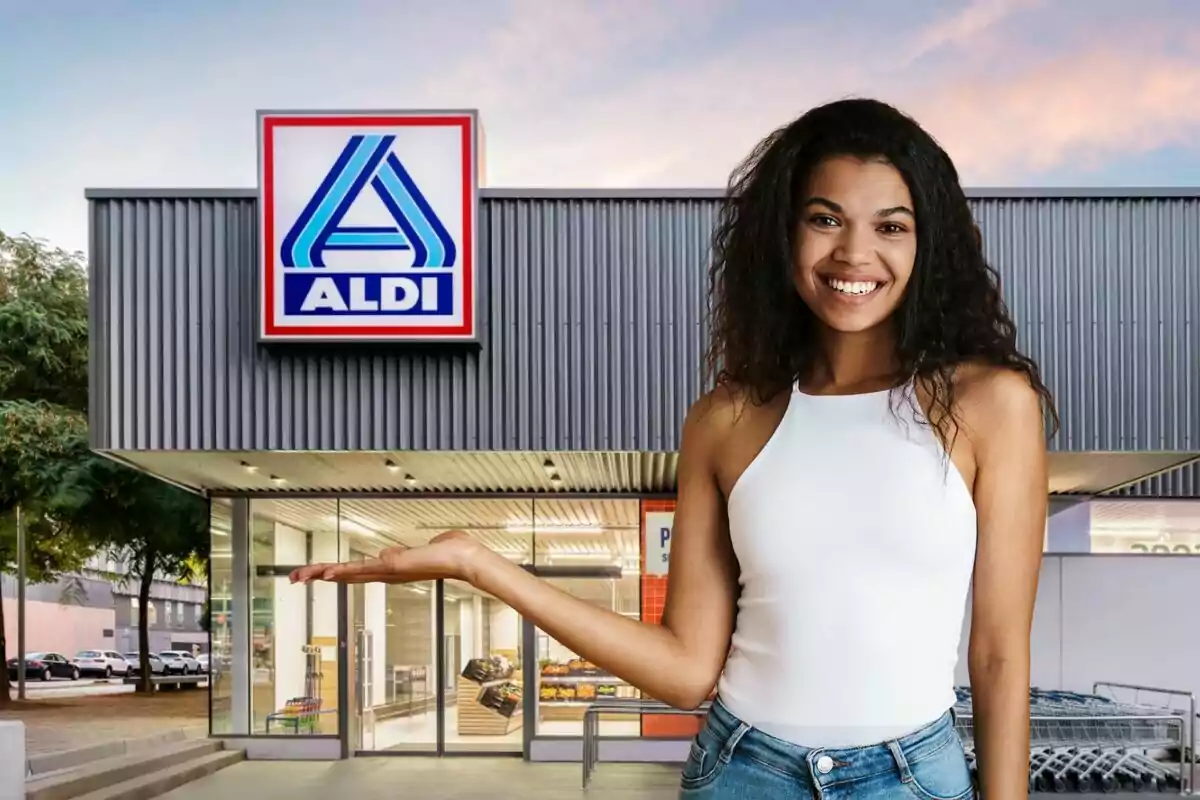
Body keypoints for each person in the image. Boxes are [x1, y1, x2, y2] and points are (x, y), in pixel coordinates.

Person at [292, 97, 1056, 799]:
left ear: (929, 244)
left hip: (912, 779)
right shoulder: (724, 420)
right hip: (743, 772)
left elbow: (996, 657)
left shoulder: (990, 407)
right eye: (825, 219)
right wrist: (480, 565)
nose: (855, 253)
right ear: (784, 233)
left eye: (891, 226)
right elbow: (689, 670)